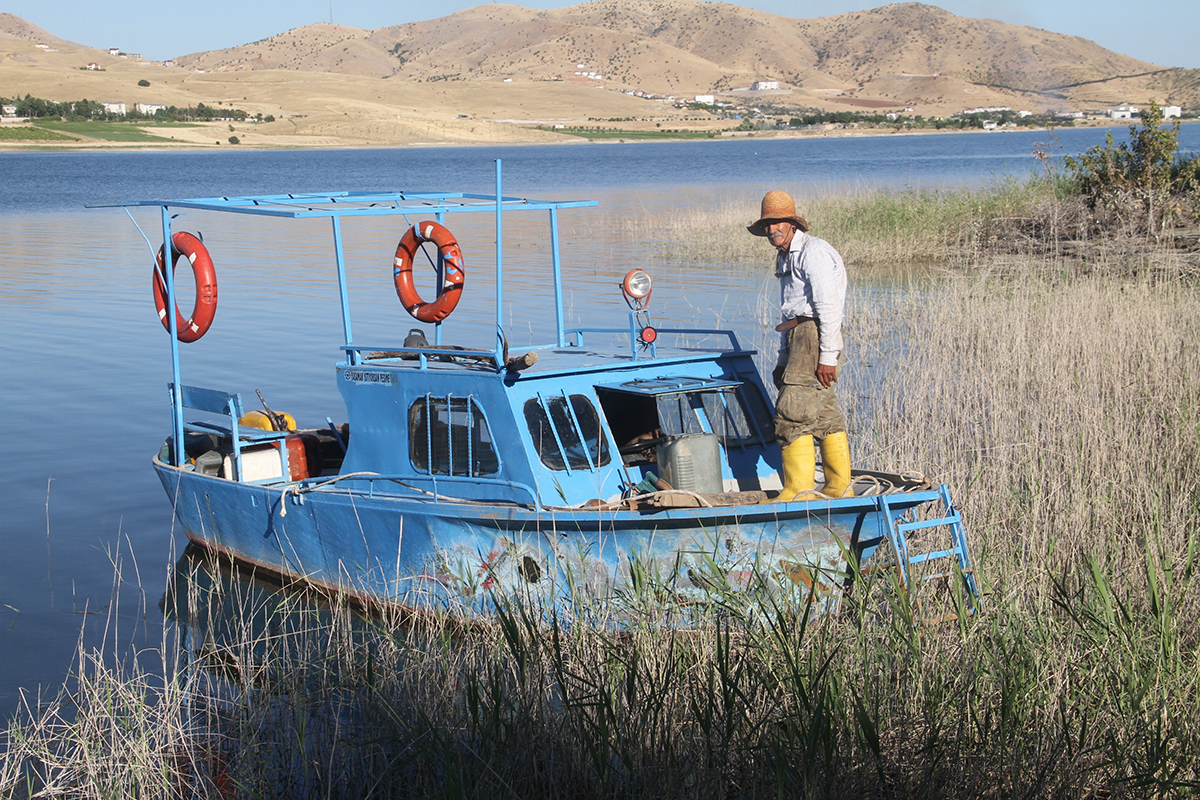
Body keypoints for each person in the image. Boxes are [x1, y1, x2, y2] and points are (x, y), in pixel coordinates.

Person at [747, 190, 853, 502]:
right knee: (823, 414)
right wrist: (782, 357)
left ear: (792, 224)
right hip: (800, 336)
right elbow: (789, 310)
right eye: (767, 225)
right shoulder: (786, 256)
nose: (771, 229)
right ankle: (839, 488)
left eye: (777, 222)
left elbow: (829, 309)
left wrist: (828, 357)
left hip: (815, 336)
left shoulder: (814, 252)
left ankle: (799, 493)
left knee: (790, 412)